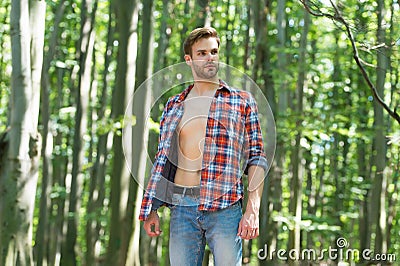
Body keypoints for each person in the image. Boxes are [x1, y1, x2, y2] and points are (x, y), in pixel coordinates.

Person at [139, 27, 268, 266]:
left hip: (225, 206)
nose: (210, 57)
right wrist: (152, 207)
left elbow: (257, 157)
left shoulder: (241, 101)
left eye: (214, 51)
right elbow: (163, 159)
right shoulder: (174, 104)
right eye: (202, 53)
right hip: (182, 207)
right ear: (188, 59)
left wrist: (253, 209)